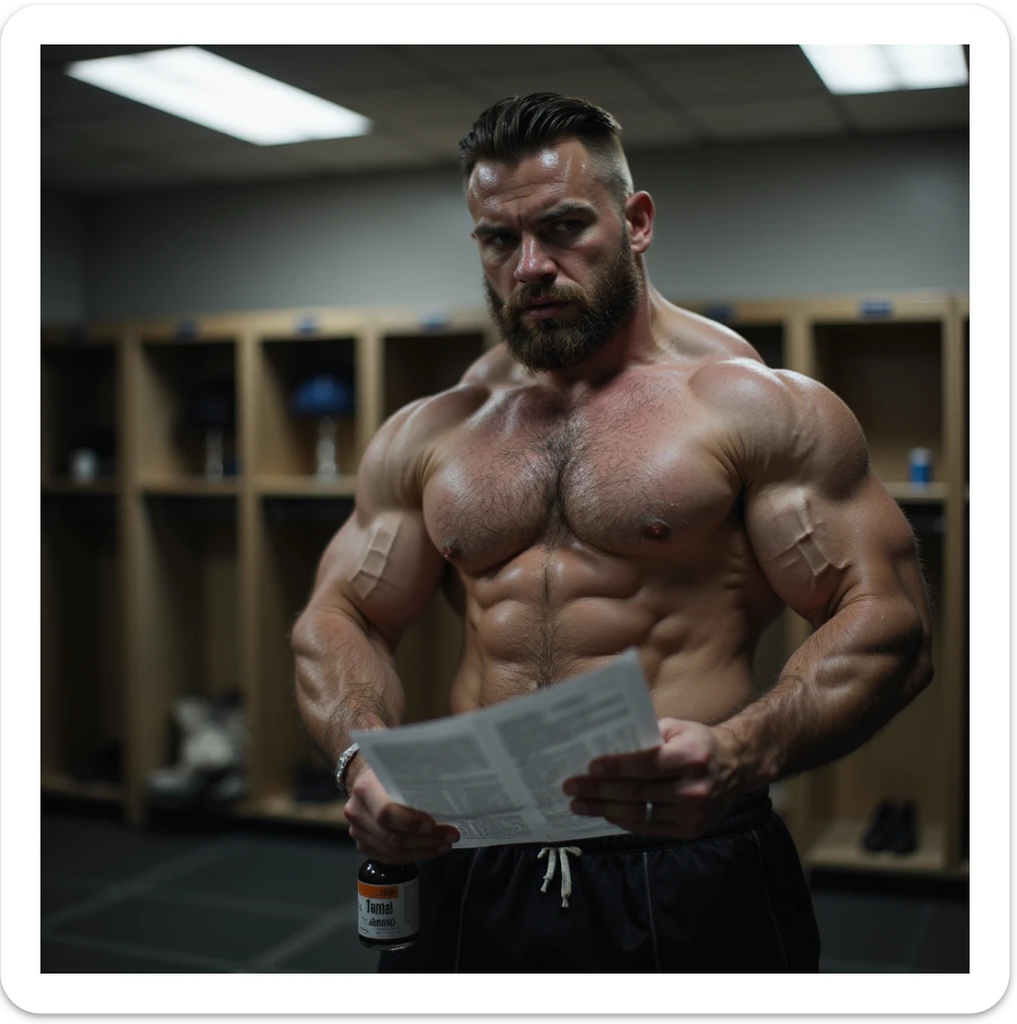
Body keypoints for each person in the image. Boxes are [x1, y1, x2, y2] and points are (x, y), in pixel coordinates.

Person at [292, 93, 934, 972]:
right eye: (498, 240)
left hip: (681, 847)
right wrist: (360, 755)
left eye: (562, 228)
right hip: (470, 849)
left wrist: (745, 752)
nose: (530, 267)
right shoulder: (433, 430)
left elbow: (892, 624)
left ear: (635, 222)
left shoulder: (751, 406)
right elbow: (340, 617)